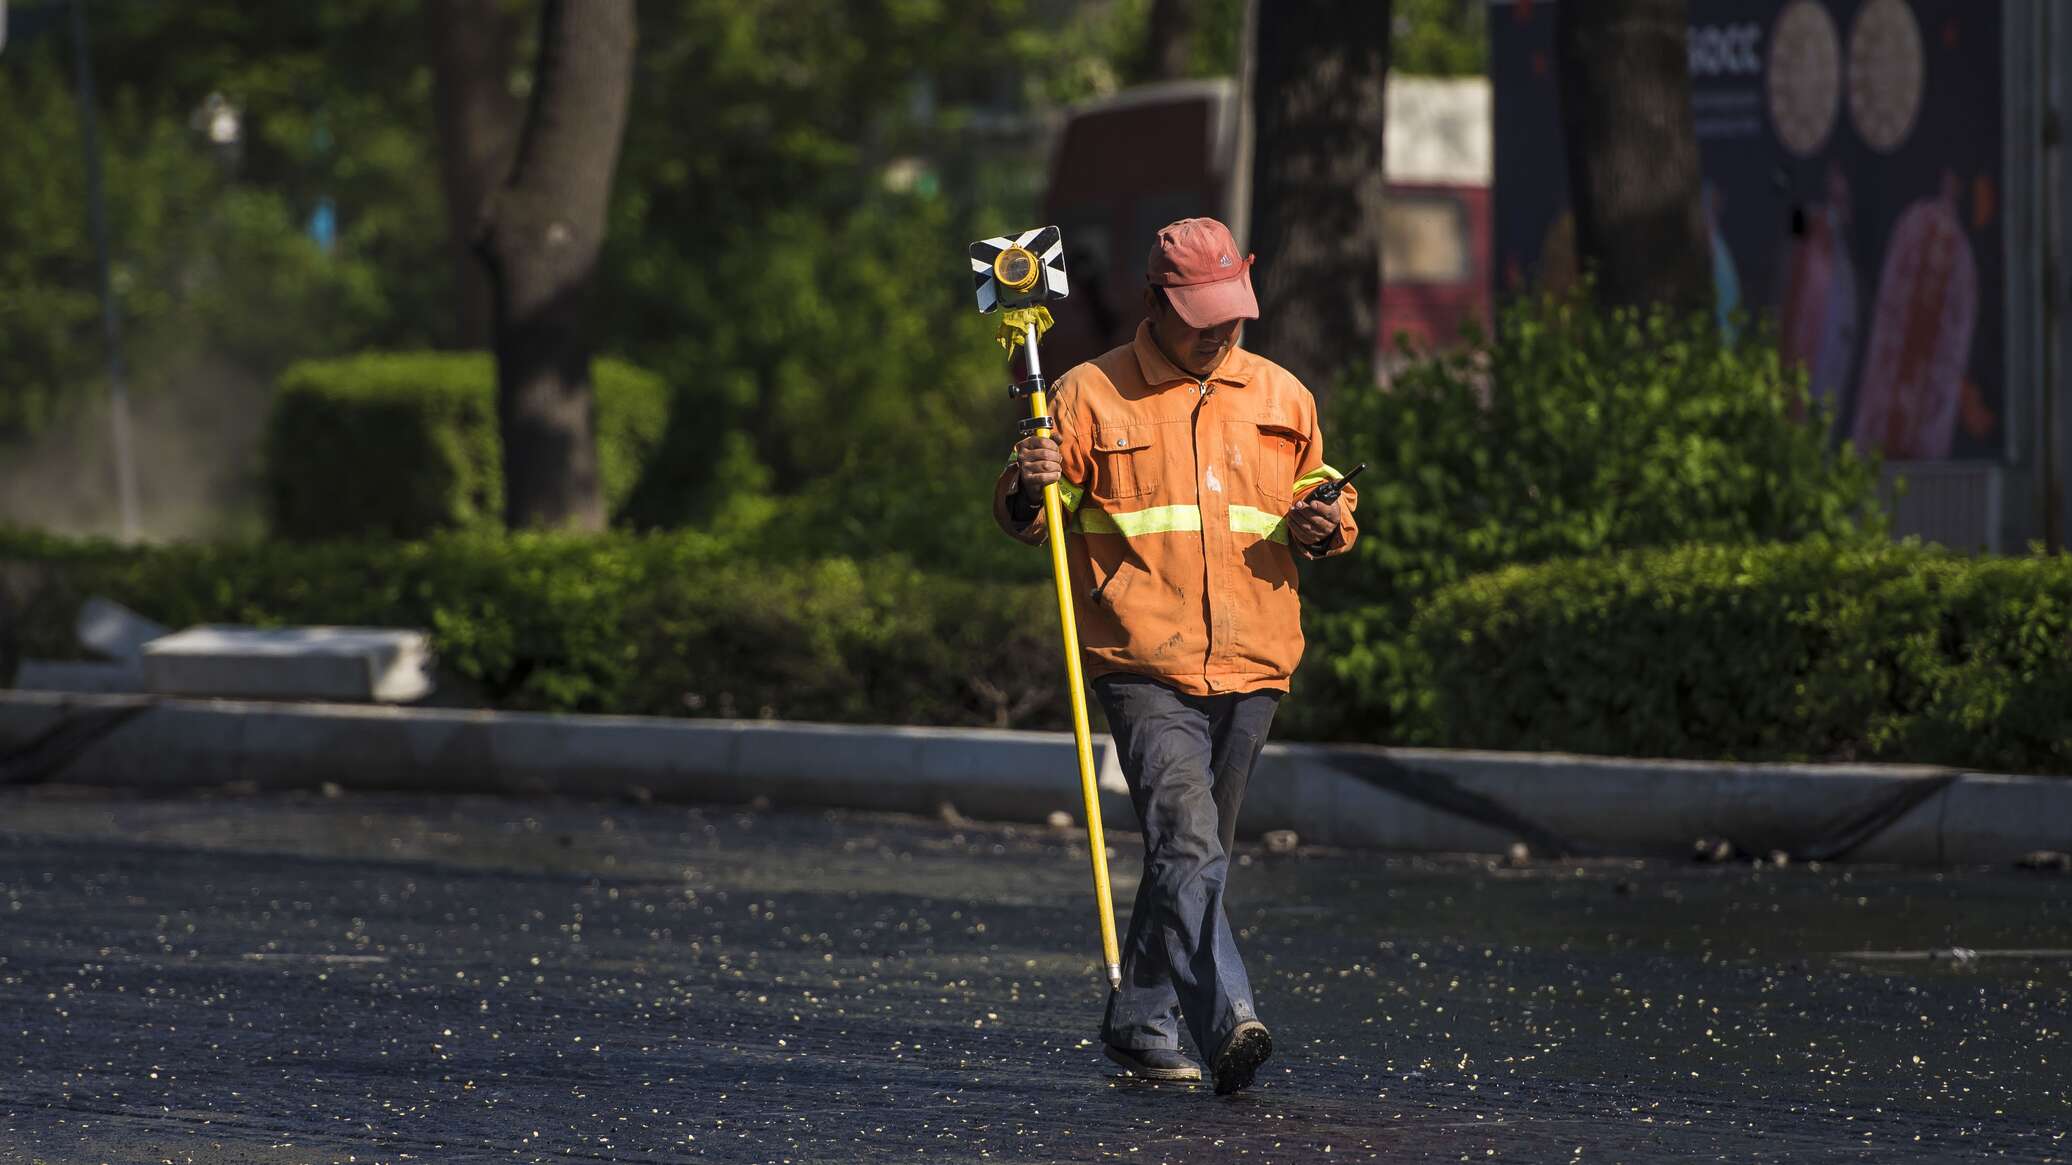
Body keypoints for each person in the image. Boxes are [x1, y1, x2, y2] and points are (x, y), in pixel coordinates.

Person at [992, 217, 1358, 1094]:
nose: (1223, 329)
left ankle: (1138, 1015)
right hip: (1142, 660)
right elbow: (1030, 517)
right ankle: (1227, 1017)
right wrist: (1027, 481)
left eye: (1234, 311)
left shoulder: (1281, 393)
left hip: (1255, 661)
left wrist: (1327, 521)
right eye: (1204, 315)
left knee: (1194, 854)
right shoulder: (1087, 395)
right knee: (1188, 843)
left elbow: (1321, 493)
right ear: (1159, 302)